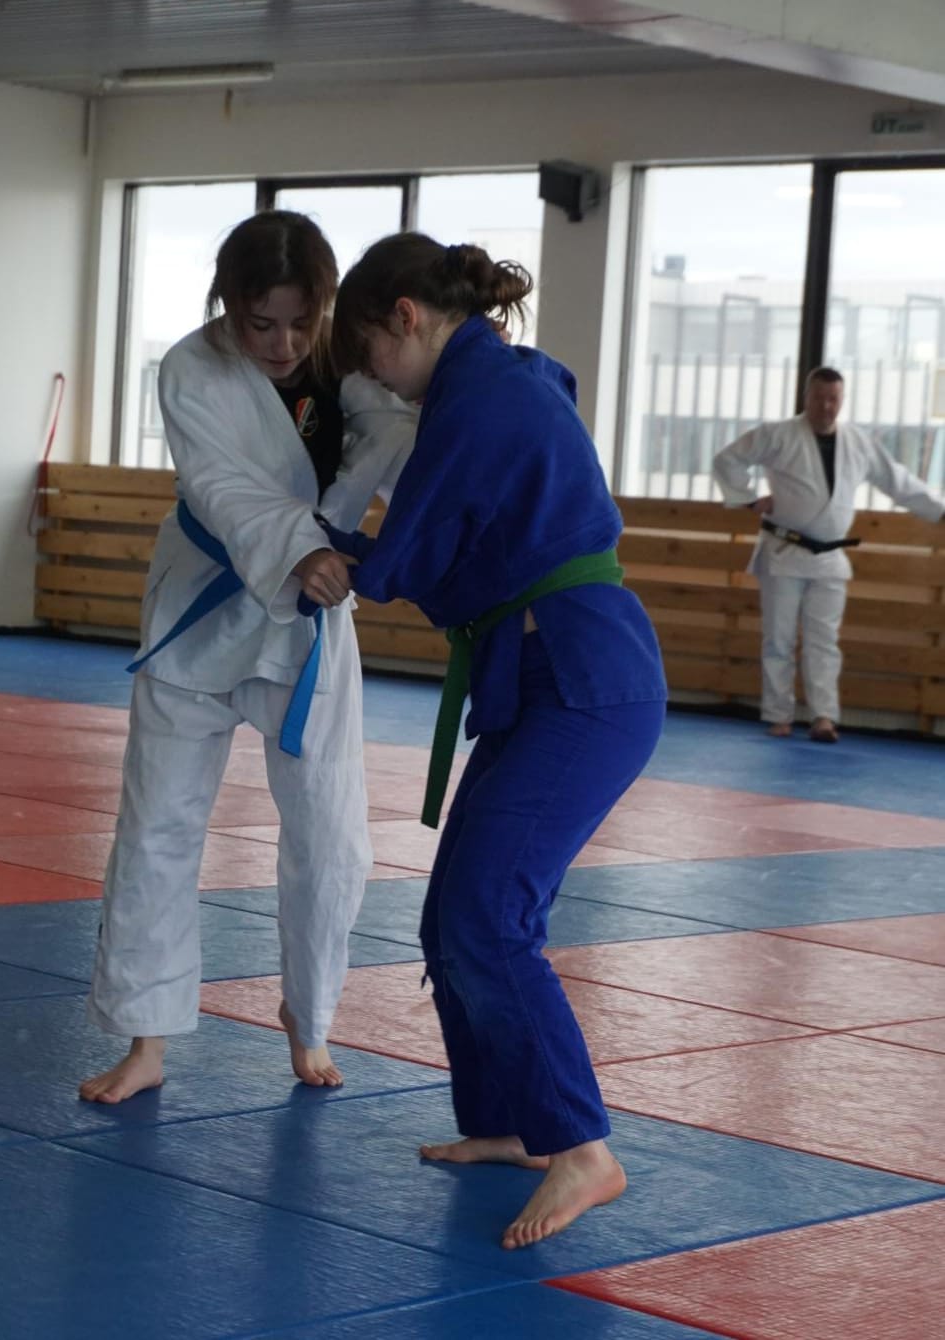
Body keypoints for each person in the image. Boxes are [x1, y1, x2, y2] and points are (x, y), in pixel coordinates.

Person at [328, 234, 667, 1250]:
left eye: (367, 352)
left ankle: (582, 1148)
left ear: (404, 317)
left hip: (585, 681)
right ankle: (510, 1120)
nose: (372, 378)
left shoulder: (479, 397)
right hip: (543, 675)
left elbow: (405, 559)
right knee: (452, 918)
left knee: (489, 912)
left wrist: (320, 547)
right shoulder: (504, 376)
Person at [79, 211, 415, 1104]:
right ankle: (148, 1038)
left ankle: (311, 1016)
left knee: (332, 834)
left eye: (302, 322)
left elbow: (408, 458)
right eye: (261, 322)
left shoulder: (358, 365)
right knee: (157, 825)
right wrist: (297, 548)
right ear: (227, 302)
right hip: (201, 607)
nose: (283, 343)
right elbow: (219, 486)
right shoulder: (192, 368)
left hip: (308, 620)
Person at [713, 367, 945, 742]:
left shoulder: (858, 441)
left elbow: (897, 480)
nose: (826, 406)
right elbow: (728, 459)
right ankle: (779, 715)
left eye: (833, 399)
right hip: (784, 551)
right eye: (819, 397)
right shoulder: (777, 434)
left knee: (823, 641)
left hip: (830, 557)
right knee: (779, 639)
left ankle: (823, 717)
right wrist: (749, 498)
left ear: (842, 399)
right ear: (807, 397)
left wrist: (938, 510)